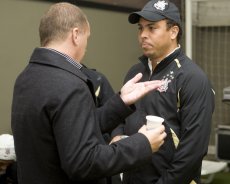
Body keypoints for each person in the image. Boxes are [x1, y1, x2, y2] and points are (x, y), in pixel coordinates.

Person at [11, 2, 167, 184]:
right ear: (76, 35)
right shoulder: (70, 84)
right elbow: (84, 163)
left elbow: (70, 129)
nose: (86, 46)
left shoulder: (27, 76)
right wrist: (142, 143)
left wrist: (120, 102)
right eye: (87, 37)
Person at [111, 0, 215, 183]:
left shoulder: (193, 79)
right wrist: (117, 135)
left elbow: (193, 151)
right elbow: (119, 113)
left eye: (152, 28)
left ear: (173, 32)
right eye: (140, 28)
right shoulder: (135, 73)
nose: (143, 35)